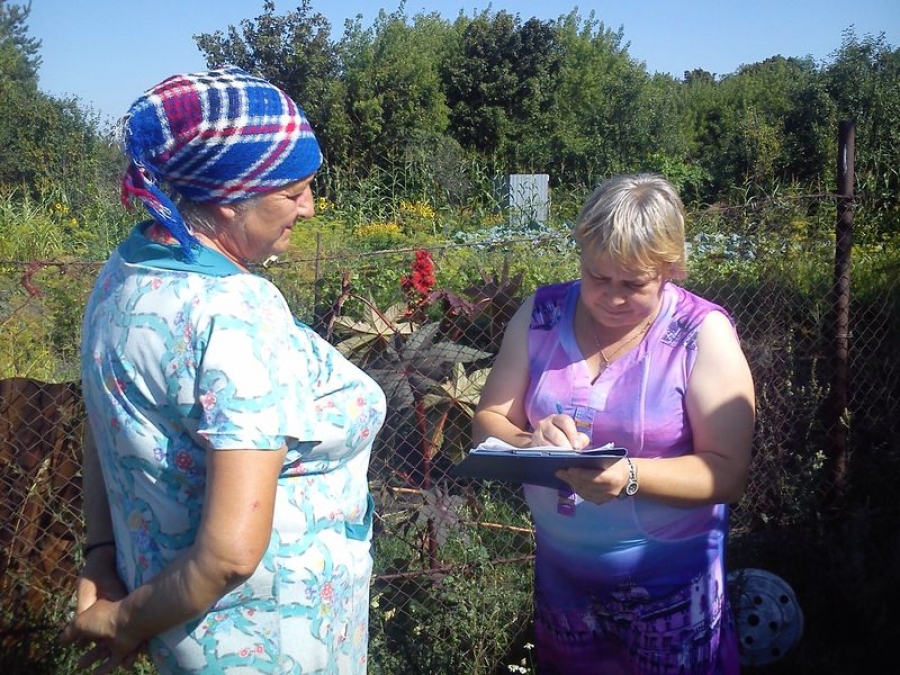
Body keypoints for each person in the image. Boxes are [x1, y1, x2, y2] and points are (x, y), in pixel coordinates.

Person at [62, 66, 386, 674]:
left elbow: (107, 426)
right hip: (270, 641)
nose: (310, 208)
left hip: (184, 631)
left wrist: (103, 558)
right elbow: (230, 555)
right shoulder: (237, 310)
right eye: (292, 193)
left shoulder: (128, 273)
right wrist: (122, 623)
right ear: (231, 199)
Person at [472, 173, 755, 674]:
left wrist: (630, 478)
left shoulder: (700, 334)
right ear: (581, 253)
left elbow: (727, 471)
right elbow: (488, 421)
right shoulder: (542, 315)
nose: (611, 297)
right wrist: (530, 440)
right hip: (565, 585)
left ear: (670, 269)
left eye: (634, 284)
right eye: (597, 277)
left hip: (671, 589)